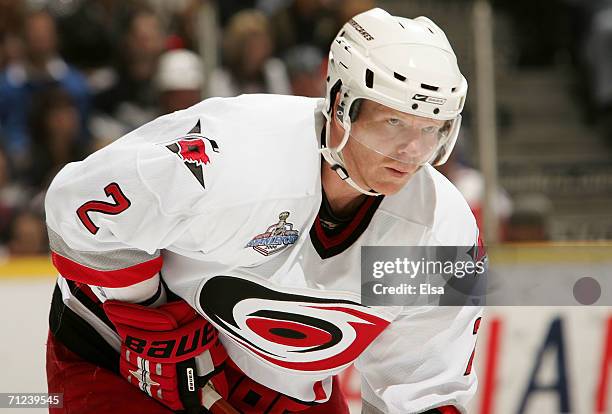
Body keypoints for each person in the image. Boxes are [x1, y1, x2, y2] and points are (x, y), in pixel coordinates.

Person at [45, 8, 482, 414]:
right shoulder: (233, 154)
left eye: (431, 129)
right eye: (394, 123)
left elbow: (425, 385)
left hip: (282, 394)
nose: (412, 151)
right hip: (115, 355)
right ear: (341, 105)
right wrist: (151, 321)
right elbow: (79, 208)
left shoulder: (440, 231)